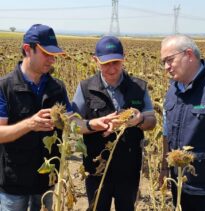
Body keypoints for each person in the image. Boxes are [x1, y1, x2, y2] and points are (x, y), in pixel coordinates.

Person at [0, 24, 117, 211]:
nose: (52, 60)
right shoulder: (4, 87)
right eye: (46, 54)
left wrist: (93, 124)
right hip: (14, 182)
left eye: (53, 55)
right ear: (27, 50)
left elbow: (71, 122)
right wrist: (29, 124)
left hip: (48, 180)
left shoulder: (57, 87)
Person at [72, 35, 156, 211]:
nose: (111, 69)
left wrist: (139, 120)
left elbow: (152, 121)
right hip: (96, 168)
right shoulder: (85, 87)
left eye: (116, 63)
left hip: (129, 168)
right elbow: (73, 122)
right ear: (95, 60)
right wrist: (92, 124)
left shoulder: (138, 87)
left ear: (124, 58)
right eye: (105, 63)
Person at [160, 34, 205, 211]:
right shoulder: (173, 89)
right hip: (180, 185)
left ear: (189, 54)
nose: (166, 67)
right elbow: (166, 132)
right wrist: (165, 169)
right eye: (163, 62)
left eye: (169, 60)